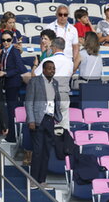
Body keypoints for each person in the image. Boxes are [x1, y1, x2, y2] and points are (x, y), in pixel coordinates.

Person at [25, 60, 62, 189]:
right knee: (37, 151)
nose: (52, 70)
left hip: (50, 119)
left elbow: (56, 100)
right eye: (50, 68)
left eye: (54, 68)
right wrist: (31, 120)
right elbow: (28, 102)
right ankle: (33, 180)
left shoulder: (55, 83)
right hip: (37, 120)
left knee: (47, 151)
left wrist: (58, 115)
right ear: (44, 70)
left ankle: (42, 180)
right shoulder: (35, 82)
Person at [33, 38, 73, 131]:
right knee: (64, 125)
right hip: (64, 95)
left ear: (54, 47)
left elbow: (35, 76)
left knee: (49, 124)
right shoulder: (70, 62)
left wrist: (35, 65)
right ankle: (64, 144)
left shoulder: (48, 60)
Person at [0, 31, 27, 142]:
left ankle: (11, 137)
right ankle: (9, 134)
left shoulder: (14, 52)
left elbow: (20, 68)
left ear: (12, 41)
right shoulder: (4, 52)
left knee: (11, 110)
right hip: (6, 83)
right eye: (3, 40)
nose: (6, 42)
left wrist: (6, 73)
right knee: (8, 110)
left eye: (8, 40)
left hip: (13, 84)